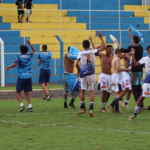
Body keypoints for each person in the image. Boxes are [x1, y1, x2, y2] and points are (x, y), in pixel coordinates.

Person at [76, 32, 105, 117]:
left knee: (82, 90)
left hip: (83, 75)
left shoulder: (80, 53)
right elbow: (104, 47)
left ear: (82, 46)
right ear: (89, 45)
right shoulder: (93, 52)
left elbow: (76, 63)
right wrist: (101, 37)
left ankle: (82, 108)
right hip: (91, 75)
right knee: (91, 91)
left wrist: (78, 71)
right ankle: (91, 109)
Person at [114, 27, 144, 110]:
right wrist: (129, 33)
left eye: (132, 40)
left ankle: (139, 106)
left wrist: (117, 42)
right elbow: (134, 40)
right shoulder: (140, 47)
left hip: (134, 71)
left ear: (133, 41)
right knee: (139, 87)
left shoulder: (132, 48)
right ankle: (141, 105)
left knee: (134, 89)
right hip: (140, 70)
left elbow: (122, 49)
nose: (131, 40)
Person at [6, 39, 35, 112]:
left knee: (18, 92)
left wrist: (8, 67)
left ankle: (22, 105)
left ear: (21, 50)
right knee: (26, 91)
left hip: (22, 77)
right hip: (29, 76)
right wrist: (30, 43)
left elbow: (15, 64)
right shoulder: (29, 56)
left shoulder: (19, 57)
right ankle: (30, 106)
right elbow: (34, 50)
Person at [89, 36, 113, 112]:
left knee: (109, 92)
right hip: (103, 76)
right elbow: (94, 50)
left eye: (111, 49)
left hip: (110, 76)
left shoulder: (113, 57)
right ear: (106, 49)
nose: (111, 50)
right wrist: (92, 40)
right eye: (109, 49)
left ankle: (103, 106)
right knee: (104, 91)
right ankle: (102, 108)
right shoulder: (102, 55)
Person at [129, 46, 150, 120]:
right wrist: (132, 54)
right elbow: (134, 65)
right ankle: (135, 113)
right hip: (148, 82)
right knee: (141, 98)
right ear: (148, 51)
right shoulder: (145, 59)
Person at [108, 49, 131, 113]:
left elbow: (121, 57)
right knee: (123, 92)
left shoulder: (115, 58)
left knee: (118, 93)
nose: (122, 55)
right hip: (117, 77)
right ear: (118, 53)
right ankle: (111, 104)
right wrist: (127, 69)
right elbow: (118, 69)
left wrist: (124, 53)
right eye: (121, 53)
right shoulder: (117, 59)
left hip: (115, 76)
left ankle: (117, 109)